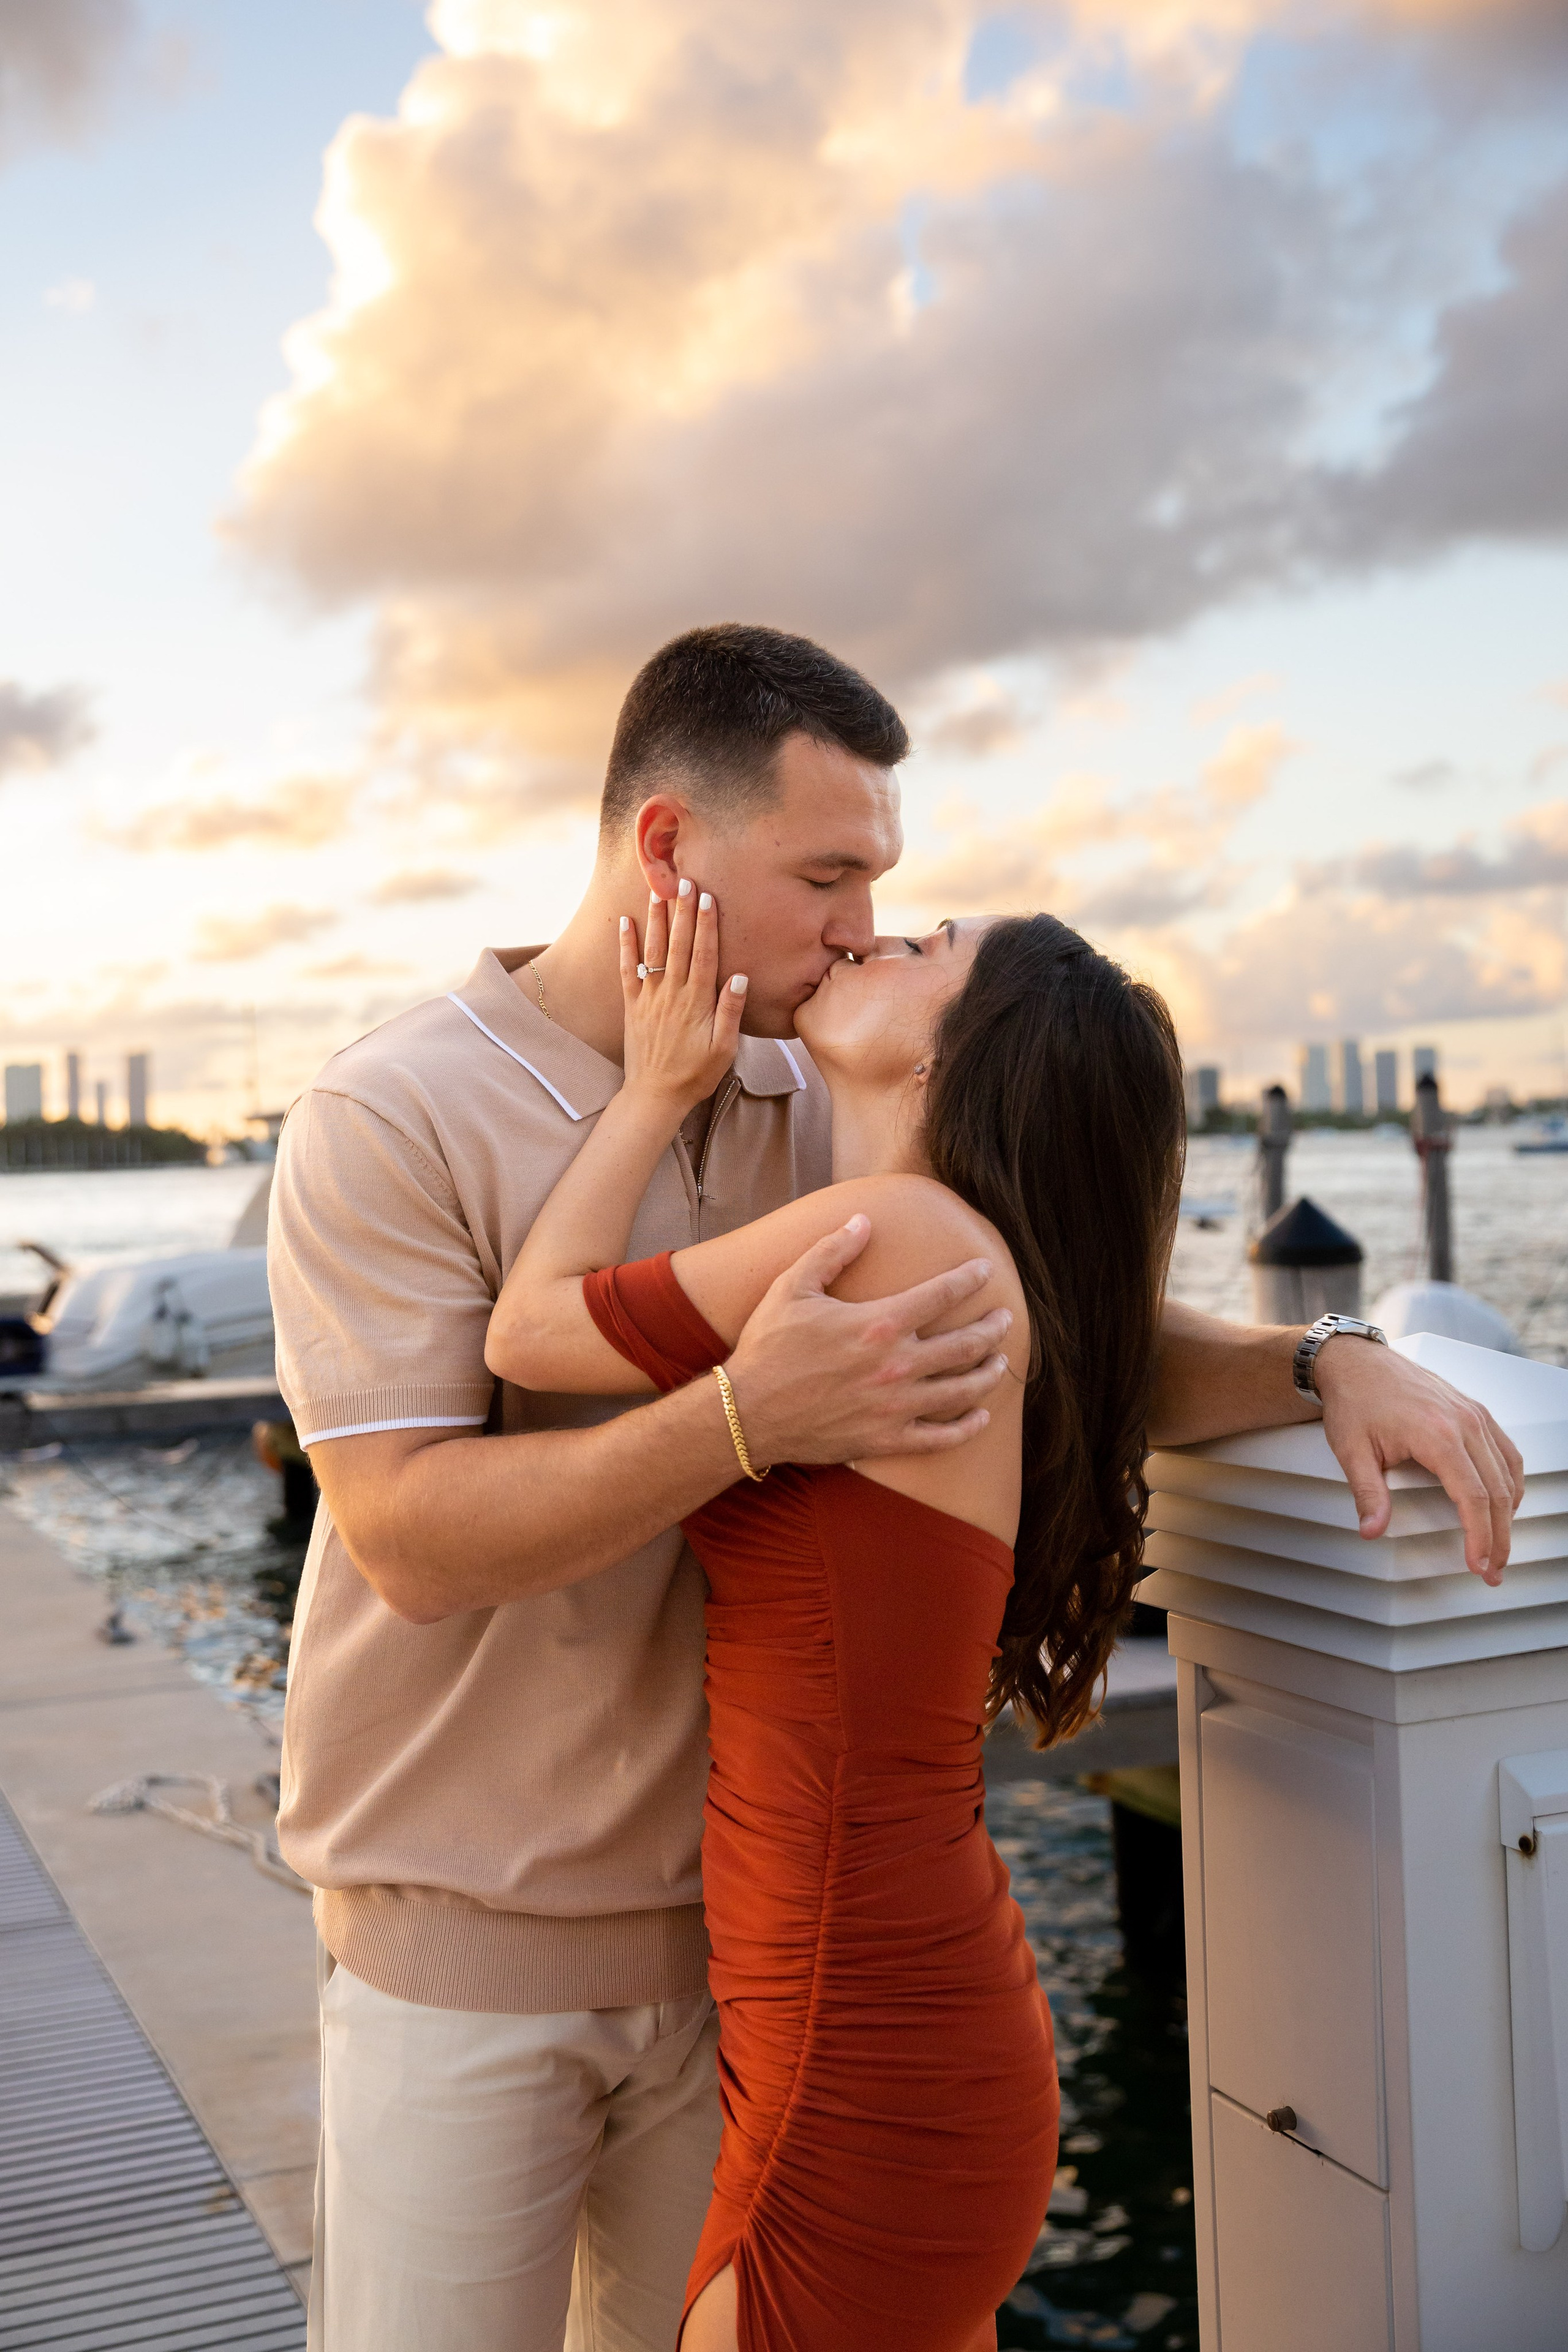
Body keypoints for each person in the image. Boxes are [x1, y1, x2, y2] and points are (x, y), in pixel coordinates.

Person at [268, 624, 1523, 2352]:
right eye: (831, 875)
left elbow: (1044, 1327)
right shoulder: (393, 1113)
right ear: (667, 850)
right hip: (473, 1946)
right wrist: (740, 1419)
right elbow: (409, 1540)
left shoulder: (820, 1090)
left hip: (750, 1966)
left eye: (887, 886)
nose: (861, 926)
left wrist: (1327, 1359)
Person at [483, 886, 1188, 2351]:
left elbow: (527, 1333)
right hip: (870, 2017)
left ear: (951, 1061)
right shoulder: (920, 1248)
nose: (874, 936)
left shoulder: (897, 1239)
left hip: (852, 2045)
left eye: (926, 949)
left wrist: (659, 1086)